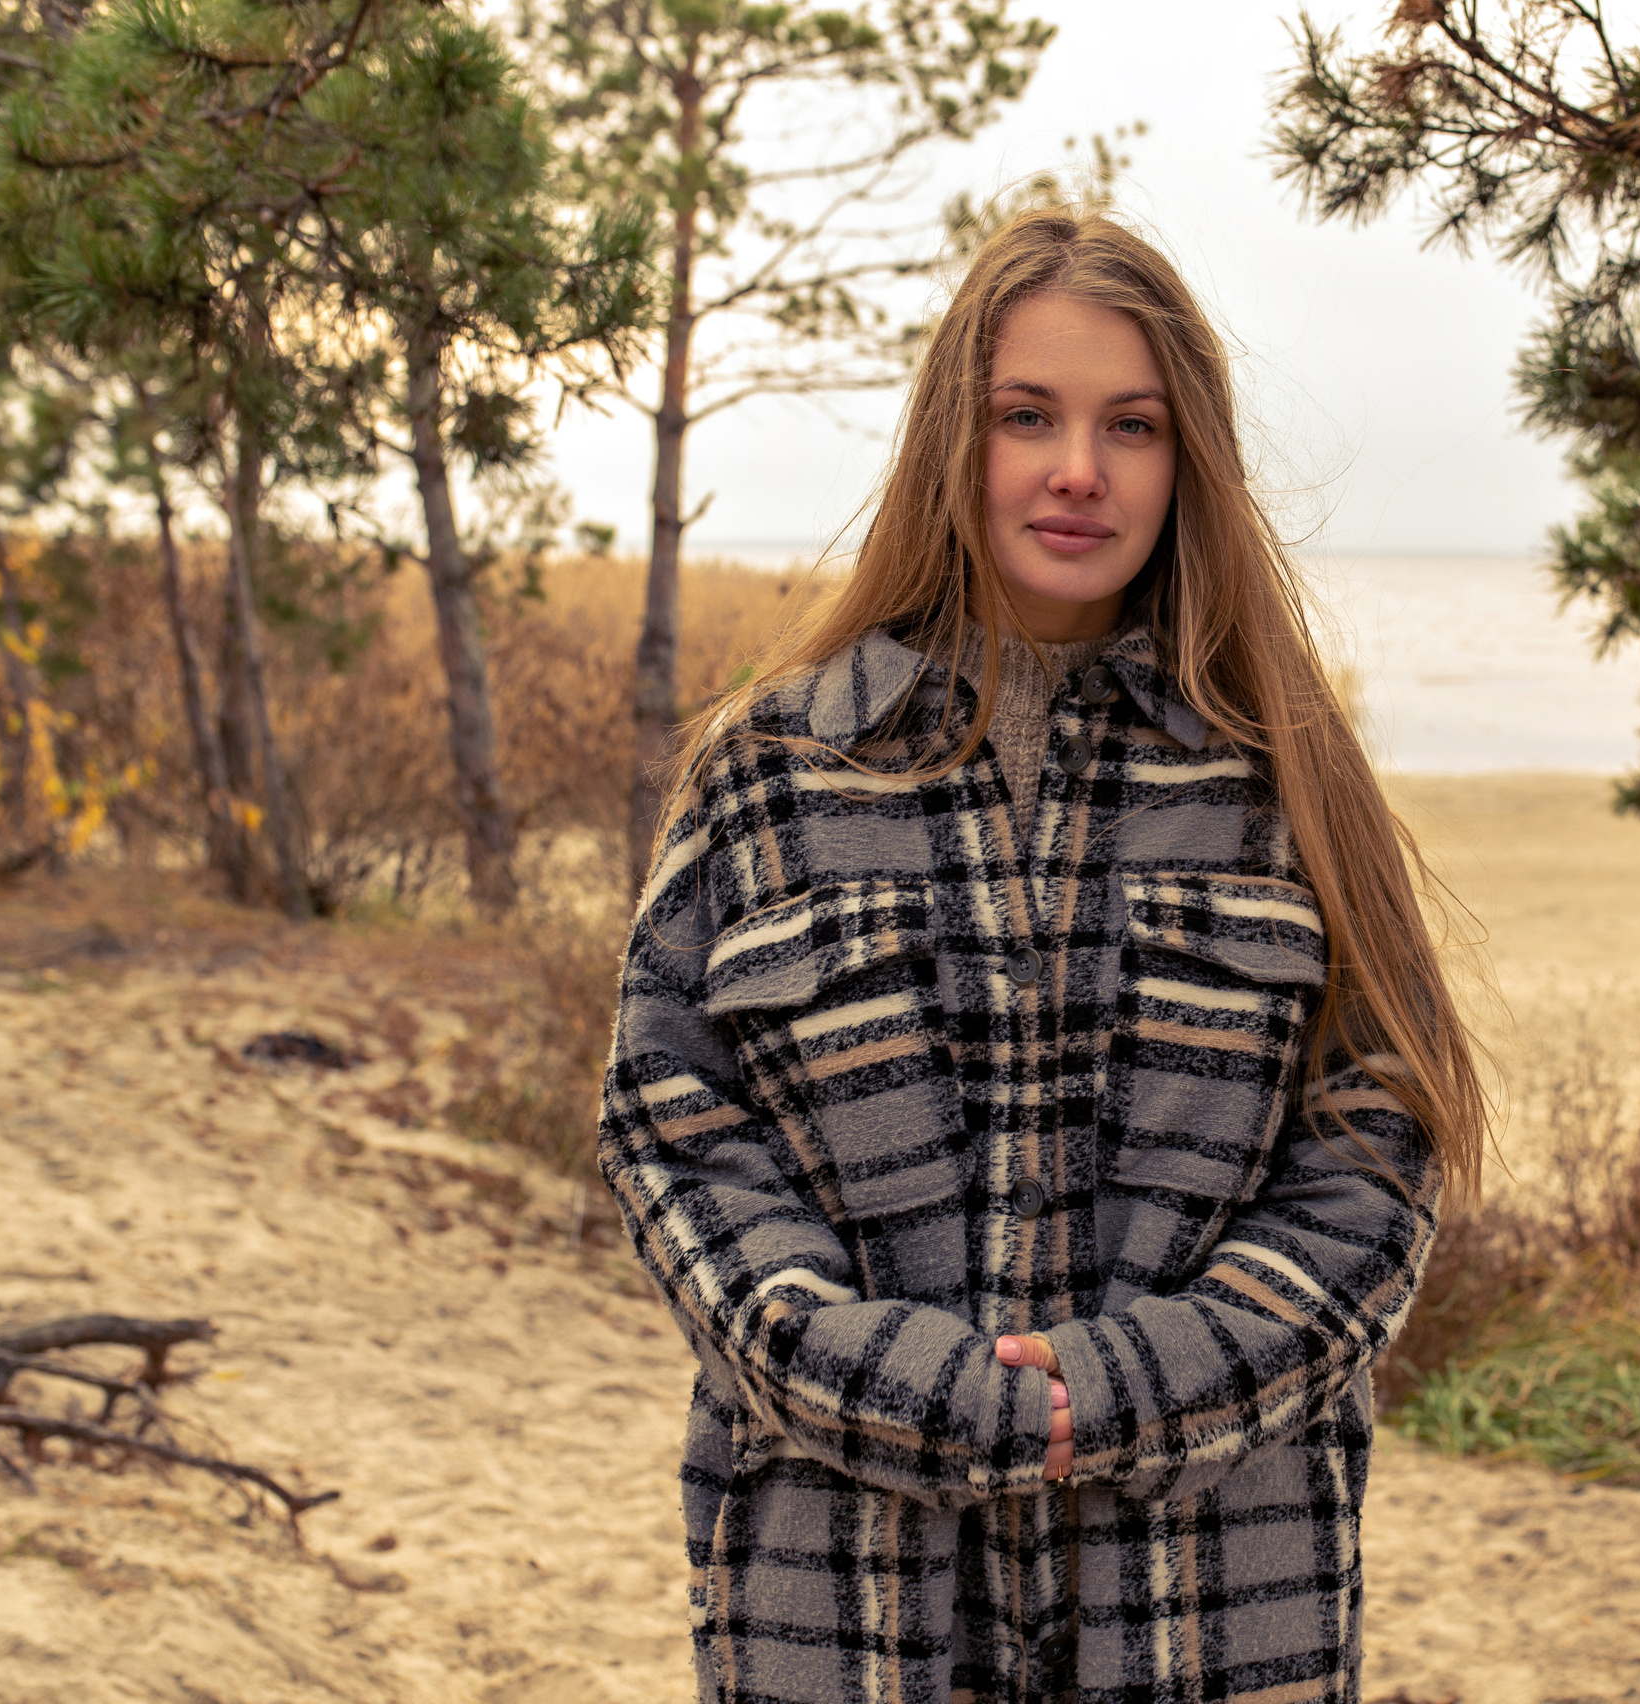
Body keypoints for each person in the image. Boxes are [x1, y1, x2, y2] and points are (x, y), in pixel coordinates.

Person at [598, 207, 1486, 1704]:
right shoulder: (772, 772)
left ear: (1186, 457)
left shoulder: (1288, 784)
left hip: (1212, 1598)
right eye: (1030, 416)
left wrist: (1130, 1387)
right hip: (845, 1597)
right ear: (959, 437)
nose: (1079, 468)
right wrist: (892, 1381)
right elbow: (670, 1127)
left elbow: (1380, 1143)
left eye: (1131, 425)